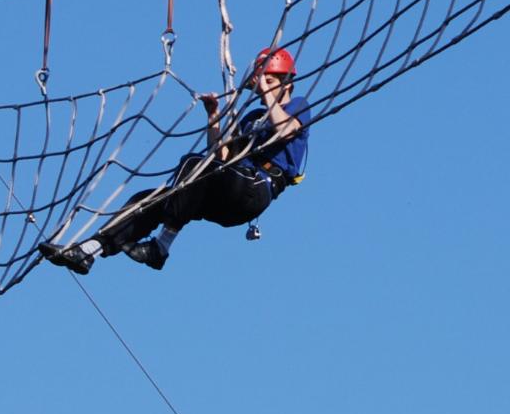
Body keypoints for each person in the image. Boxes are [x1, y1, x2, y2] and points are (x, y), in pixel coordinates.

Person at [39, 46, 309, 274]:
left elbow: (285, 130)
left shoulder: (297, 105)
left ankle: (161, 246)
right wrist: (213, 116)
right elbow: (222, 155)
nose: (263, 90)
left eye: (270, 83)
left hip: (255, 190)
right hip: (228, 191)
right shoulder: (252, 118)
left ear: (286, 81)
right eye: (263, 83)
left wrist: (262, 84)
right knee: (151, 198)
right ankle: (90, 251)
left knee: (193, 164)